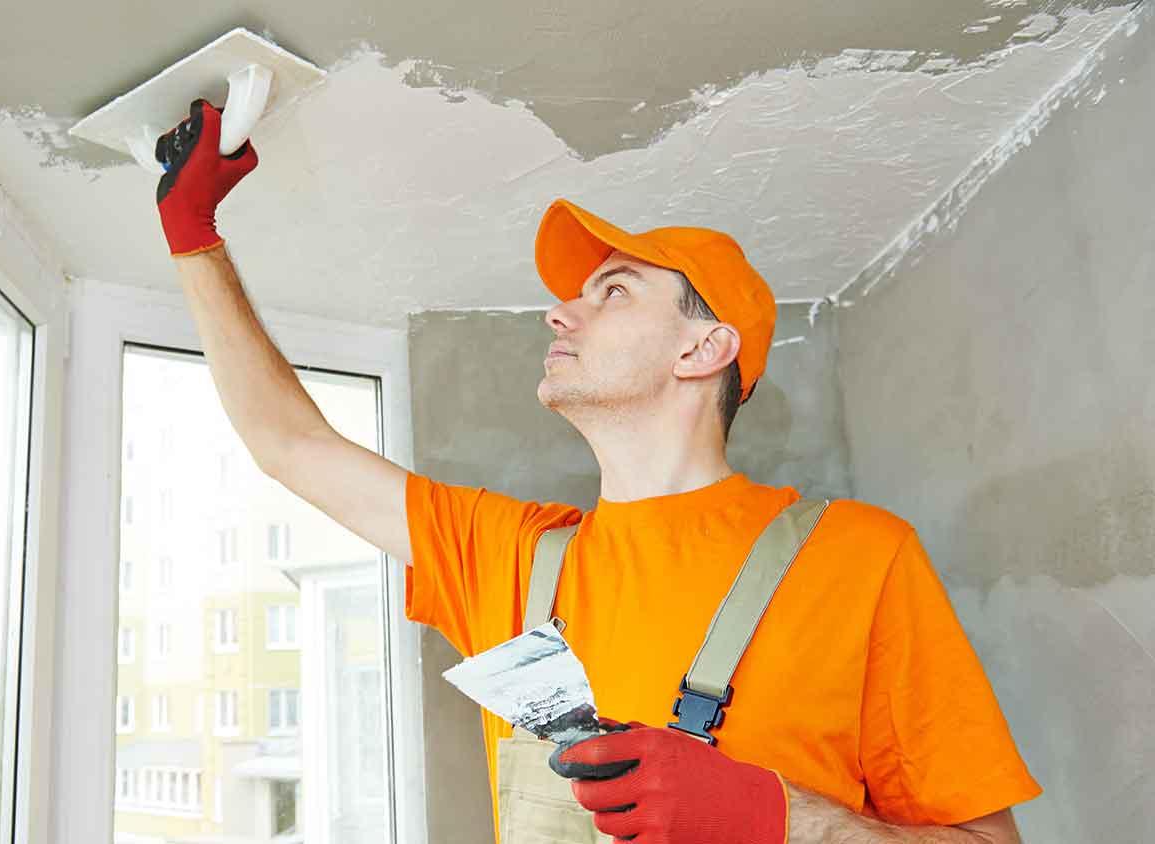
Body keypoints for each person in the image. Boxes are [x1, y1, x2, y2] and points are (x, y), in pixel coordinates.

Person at [154, 100, 1042, 843]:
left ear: (705, 347)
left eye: (611, 291)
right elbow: (290, 445)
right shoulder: (514, 557)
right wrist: (195, 238)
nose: (558, 314)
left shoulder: (858, 558)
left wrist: (782, 817)